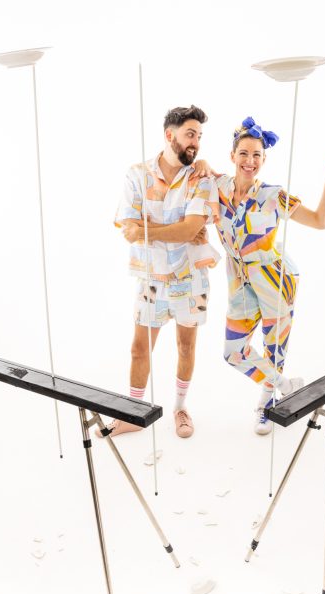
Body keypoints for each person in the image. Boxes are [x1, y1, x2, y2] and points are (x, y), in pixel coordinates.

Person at [214, 116, 325, 434]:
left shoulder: (273, 195)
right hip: (239, 281)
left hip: (275, 280)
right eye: (244, 153)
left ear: (264, 160)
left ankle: (265, 405)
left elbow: (320, 221)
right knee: (233, 351)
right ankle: (284, 385)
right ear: (232, 156)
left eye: (256, 156)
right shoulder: (217, 190)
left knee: (273, 347)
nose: (249, 161)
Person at [102, 105, 220, 439]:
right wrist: (173, 227)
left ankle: (181, 408)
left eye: (199, 136)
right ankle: (133, 413)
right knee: (139, 349)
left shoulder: (200, 177)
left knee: (186, 347)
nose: (196, 142)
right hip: (151, 278)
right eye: (190, 134)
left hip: (190, 278)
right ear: (170, 135)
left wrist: (149, 229)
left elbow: (188, 231)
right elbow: (128, 228)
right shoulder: (137, 174)